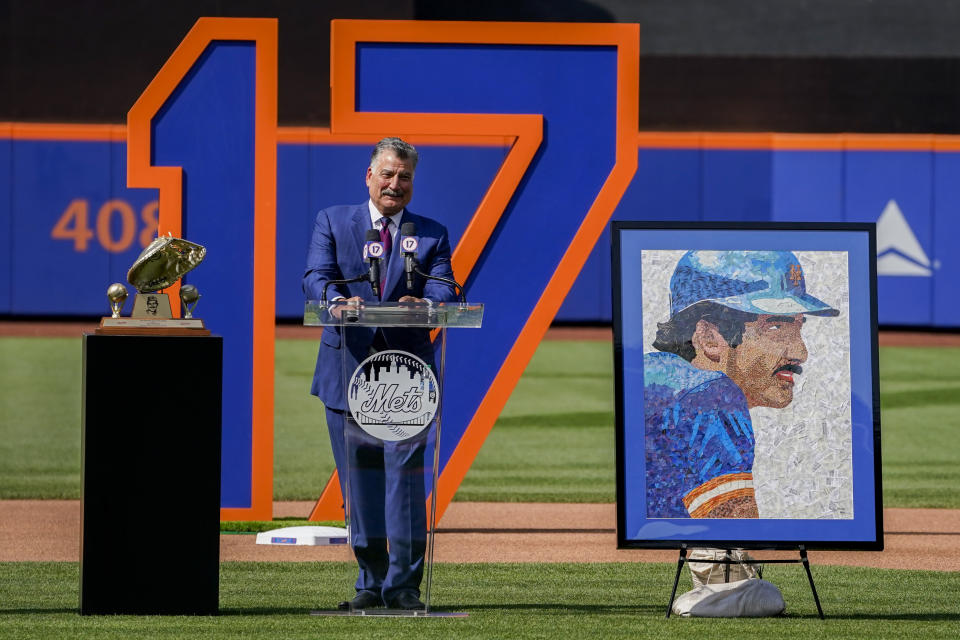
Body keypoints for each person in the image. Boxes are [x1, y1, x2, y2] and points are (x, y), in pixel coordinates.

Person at [303, 137, 457, 610]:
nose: (395, 184)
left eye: (404, 177)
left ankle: (405, 588)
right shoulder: (333, 220)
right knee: (360, 489)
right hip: (348, 373)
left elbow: (447, 286)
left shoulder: (429, 233)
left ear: (413, 182)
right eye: (387, 174)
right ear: (369, 176)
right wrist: (335, 301)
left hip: (407, 381)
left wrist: (427, 304)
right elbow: (315, 277)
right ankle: (370, 584)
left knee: (408, 487)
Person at [644, 250, 838, 518]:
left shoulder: (652, 375)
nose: (800, 352)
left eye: (798, 328)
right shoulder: (712, 397)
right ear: (709, 337)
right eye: (775, 328)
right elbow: (731, 539)